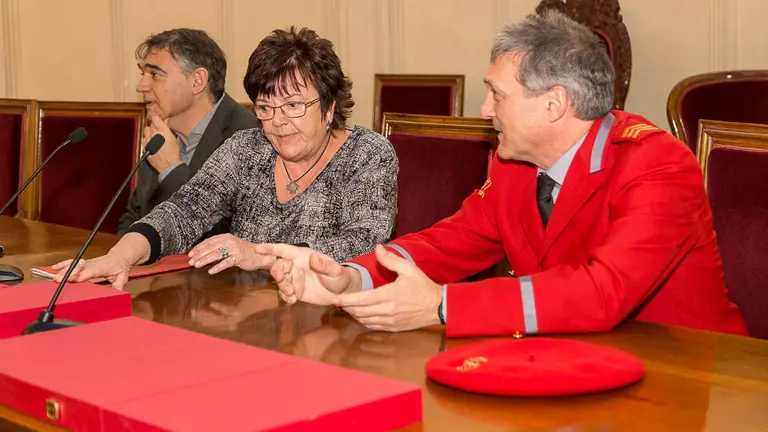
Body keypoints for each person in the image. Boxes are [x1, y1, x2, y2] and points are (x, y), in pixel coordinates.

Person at [259, 11, 748, 337]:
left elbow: (602, 293)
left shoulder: (658, 167)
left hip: (693, 380)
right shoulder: (514, 165)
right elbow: (449, 242)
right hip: (574, 364)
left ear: (554, 104)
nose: (484, 109)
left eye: (497, 94)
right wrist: (353, 277)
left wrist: (444, 306)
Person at [53, 26, 398, 289]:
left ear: (329, 106)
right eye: (265, 108)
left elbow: (363, 242)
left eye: (293, 105)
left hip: (329, 318)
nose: (277, 121)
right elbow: (185, 209)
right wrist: (121, 255)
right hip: (246, 313)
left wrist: (259, 254)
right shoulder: (247, 148)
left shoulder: (367, 154)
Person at [117, 28, 258, 235]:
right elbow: (135, 215)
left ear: (197, 80)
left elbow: (225, 235)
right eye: (143, 74)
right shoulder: (160, 131)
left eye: (155, 74)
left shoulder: (248, 137)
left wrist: (171, 169)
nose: (141, 86)